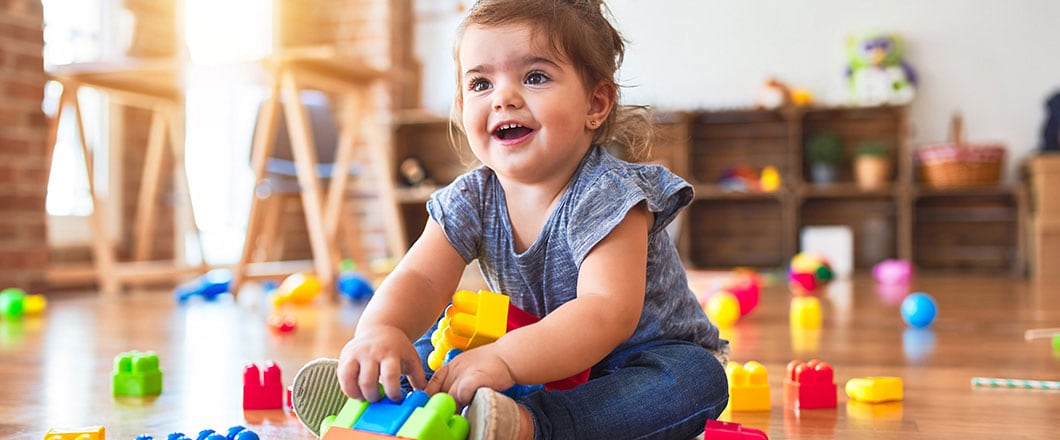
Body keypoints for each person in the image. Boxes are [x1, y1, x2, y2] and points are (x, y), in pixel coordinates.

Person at [293, 1, 729, 438]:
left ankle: (528, 424)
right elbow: (421, 279)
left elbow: (604, 312)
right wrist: (382, 331)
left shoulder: (609, 194)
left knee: (695, 378)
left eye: (535, 77)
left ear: (595, 103)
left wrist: (505, 359)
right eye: (481, 83)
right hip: (529, 355)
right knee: (433, 336)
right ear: (462, 106)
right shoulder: (472, 197)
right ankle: (381, 396)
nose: (503, 97)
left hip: (627, 363)